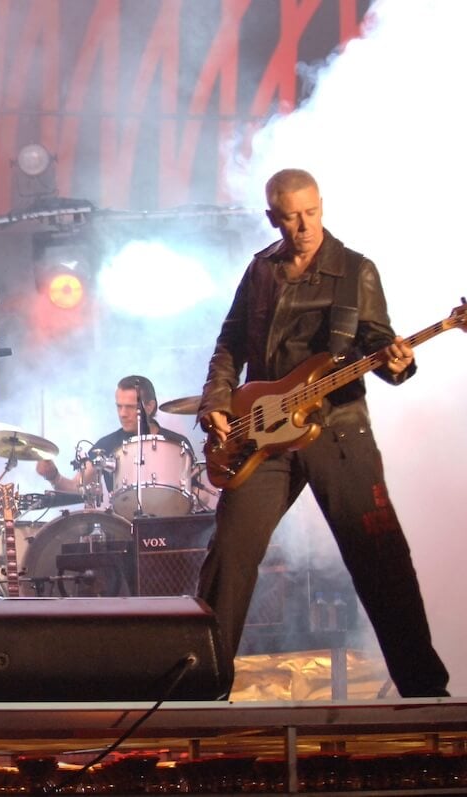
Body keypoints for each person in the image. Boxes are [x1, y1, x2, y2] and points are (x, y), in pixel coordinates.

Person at [196, 168, 448, 698]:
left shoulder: (356, 270)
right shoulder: (261, 269)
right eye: (292, 216)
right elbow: (230, 341)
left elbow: (379, 346)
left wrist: (398, 363)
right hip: (263, 436)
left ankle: (426, 693)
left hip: (337, 431)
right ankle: (201, 691)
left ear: (322, 207)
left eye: (311, 212)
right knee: (229, 556)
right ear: (273, 217)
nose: (305, 226)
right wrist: (218, 399)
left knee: (380, 560)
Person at [36, 374, 193, 507]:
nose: (123, 414)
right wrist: (54, 477)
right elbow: (78, 487)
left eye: (130, 407)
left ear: (150, 406)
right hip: (122, 528)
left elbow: (198, 495)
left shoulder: (177, 443)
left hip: (171, 525)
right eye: (119, 406)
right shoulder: (106, 445)